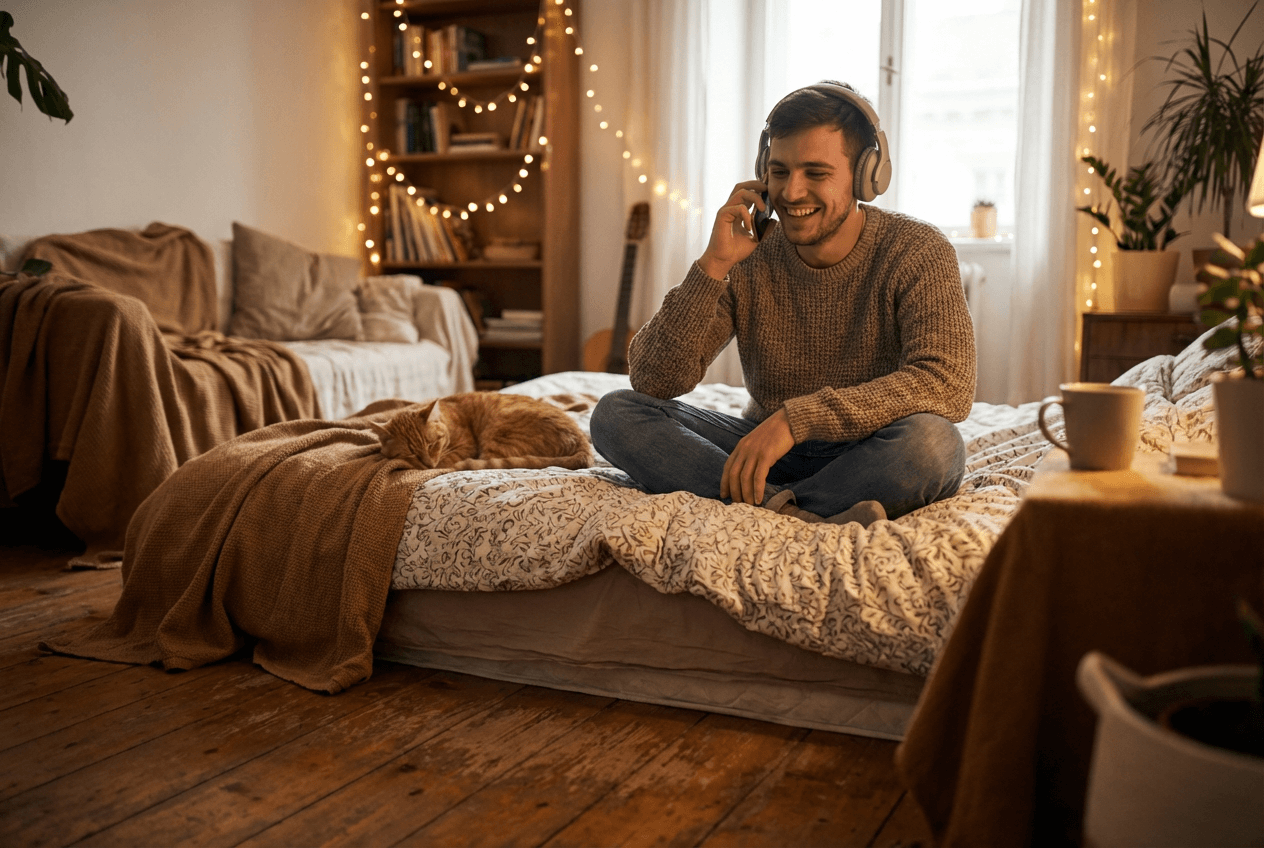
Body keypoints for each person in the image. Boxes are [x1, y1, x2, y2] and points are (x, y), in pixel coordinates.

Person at [589, 81, 976, 526]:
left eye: (816, 173)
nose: (791, 193)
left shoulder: (917, 249)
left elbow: (946, 383)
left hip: (867, 450)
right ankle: (802, 511)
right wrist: (713, 265)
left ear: (866, 176)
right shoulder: (749, 253)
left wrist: (795, 421)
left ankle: (770, 508)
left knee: (935, 444)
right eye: (779, 171)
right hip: (762, 452)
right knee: (616, 413)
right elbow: (654, 380)